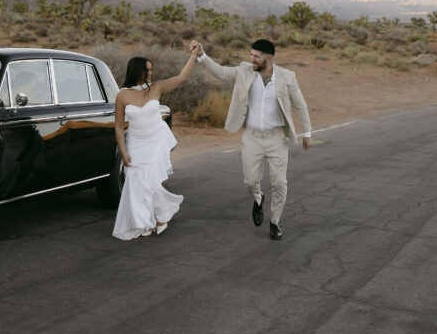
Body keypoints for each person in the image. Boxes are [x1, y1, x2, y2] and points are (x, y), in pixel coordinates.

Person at [191, 38, 311, 240]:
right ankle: (258, 197)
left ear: (269, 58)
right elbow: (220, 72)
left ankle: (275, 222)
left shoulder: (287, 77)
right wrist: (202, 55)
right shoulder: (244, 70)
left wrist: (307, 133)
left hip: (277, 138)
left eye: (256, 56)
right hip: (252, 137)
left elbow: (300, 105)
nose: (251, 59)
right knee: (250, 181)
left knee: (279, 183)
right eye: (251, 55)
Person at [112, 44, 199, 240]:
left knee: (150, 181)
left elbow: (181, 77)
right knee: (136, 183)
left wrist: (193, 55)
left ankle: (158, 219)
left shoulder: (157, 87)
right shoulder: (122, 95)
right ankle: (147, 221)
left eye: (152, 69)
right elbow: (118, 126)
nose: (151, 73)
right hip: (135, 143)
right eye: (148, 70)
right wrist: (123, 150)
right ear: (138, 71)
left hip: (155, 141)